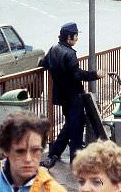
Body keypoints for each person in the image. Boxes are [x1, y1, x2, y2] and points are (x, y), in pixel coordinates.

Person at [40, 22, 106, 168]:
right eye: (75, 36)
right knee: (76, 128)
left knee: (69, 125)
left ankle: (54, 153)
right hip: (74, 96)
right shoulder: (70, 54)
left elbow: (43, 64)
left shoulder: (53, 49)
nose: (77, 38)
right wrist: (95, 74)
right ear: (69, 37)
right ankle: (76, 161)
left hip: (62, 96)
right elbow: (77, 74)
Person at [0, 112, 65, 192]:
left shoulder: (53, 189)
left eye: (35, 150)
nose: (28, 159)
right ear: (5, 150)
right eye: (20, 151)